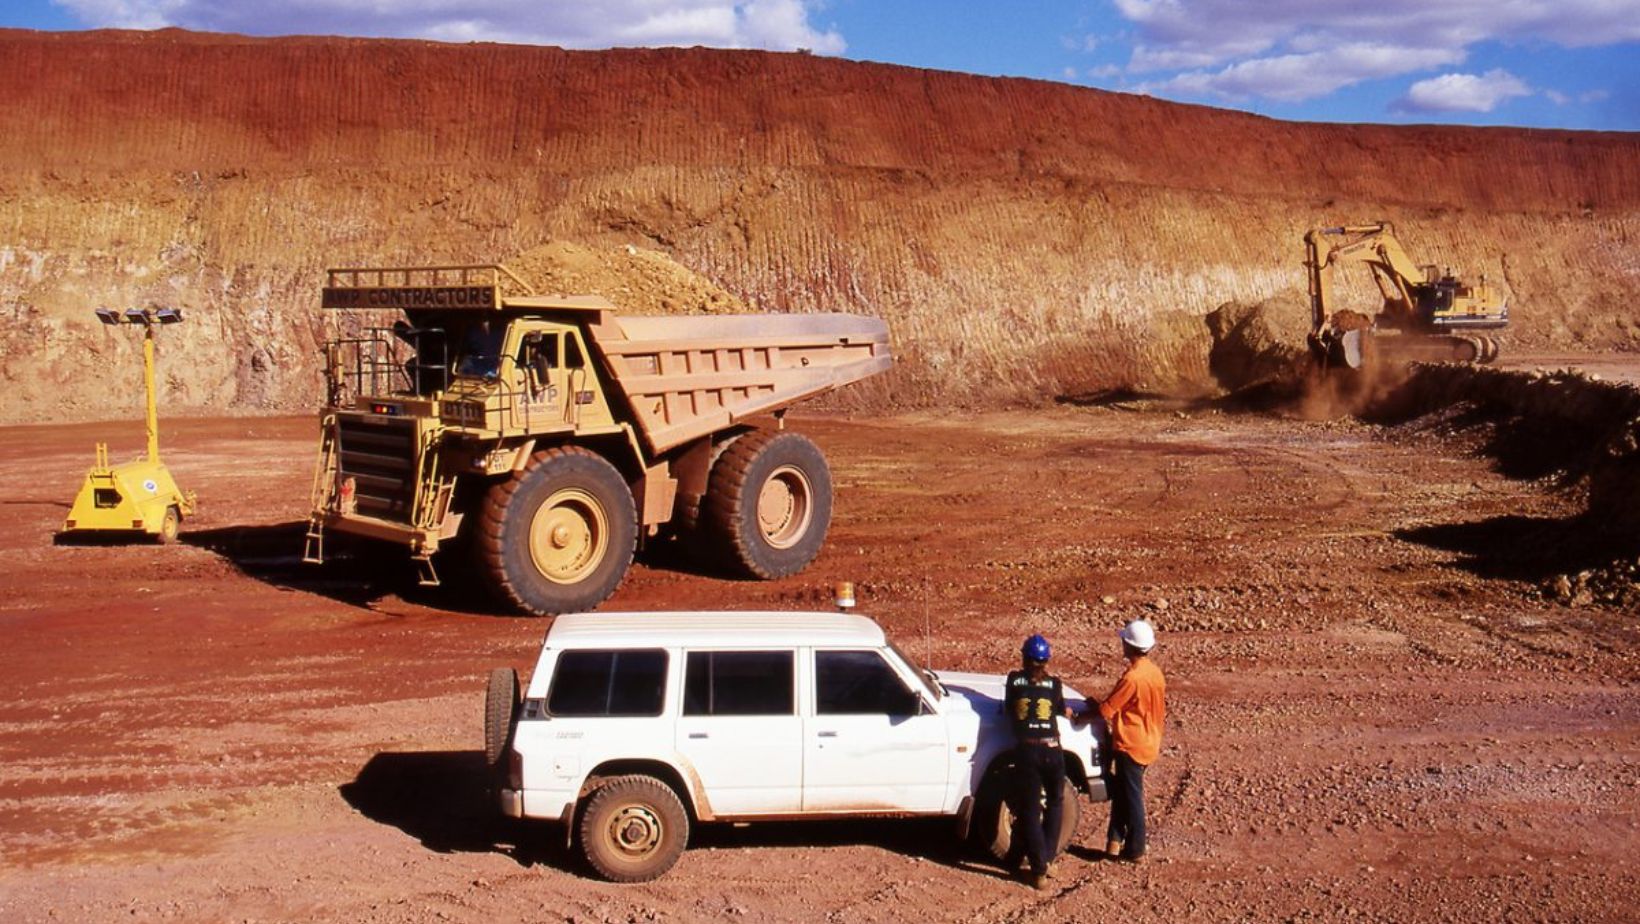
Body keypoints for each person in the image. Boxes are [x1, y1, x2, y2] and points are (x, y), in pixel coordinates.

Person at [1090, 618, 1167, 862]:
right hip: (1149, 741)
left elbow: (1107, 711)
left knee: (1131, 797)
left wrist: (1085, 711)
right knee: (1125, 793)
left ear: (1130, 646)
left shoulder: (1133, 678)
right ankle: (1113, 842)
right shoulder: (1155, 673)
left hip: (1130, 744)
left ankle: (1136, 848)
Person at [1004, 633, 1075, 889]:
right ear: (1046, 661)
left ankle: (1039, 869)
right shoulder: (1055, 684)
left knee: (1030, 809)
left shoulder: (1013, 680)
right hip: (1053, 749)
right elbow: (1060, 709)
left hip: (1028, 751)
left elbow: (1008, 708)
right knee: (1055, 803)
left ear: (1024, 658)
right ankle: (1047, 858)